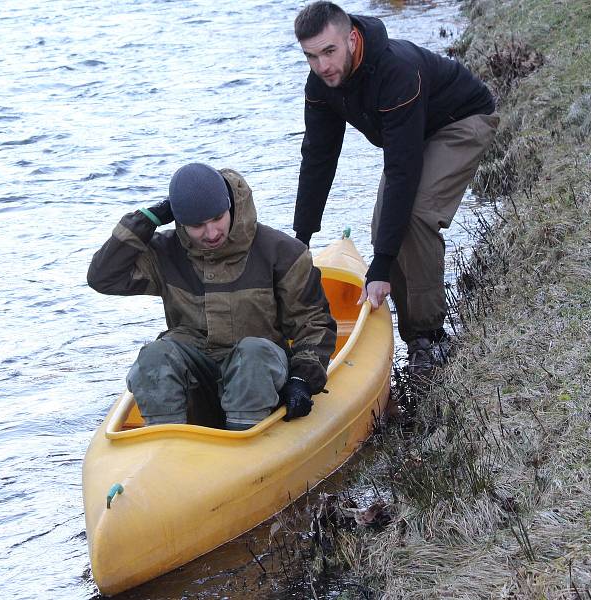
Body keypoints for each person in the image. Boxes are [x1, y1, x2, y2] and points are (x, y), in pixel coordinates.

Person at [292, 2, 499, 374]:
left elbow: (403, 171)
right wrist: (301, 238)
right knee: (384, 230)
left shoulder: (395, 71)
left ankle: (430, 337)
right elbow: (318, 159)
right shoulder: (321, 86)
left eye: (329, 51)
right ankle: (413, 337)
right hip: (413, 134)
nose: (322, 66)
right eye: (311, 56)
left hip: (461, 121)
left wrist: (381, 265)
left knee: (416, 218)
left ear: (352, 39)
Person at [88, 163, 337, 430]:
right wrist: (147, 219)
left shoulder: (283, 252)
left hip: (261, 378)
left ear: (229, 205)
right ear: (181, 221)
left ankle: (245, 441)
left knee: (253, 354)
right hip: (198, 379)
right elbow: (103, 277)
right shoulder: (164, 252)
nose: (211, 233)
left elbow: (314, 323)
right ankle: (165, 440)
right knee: (155, 356)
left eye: (217, 218)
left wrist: (302, 379)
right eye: (197, 225)